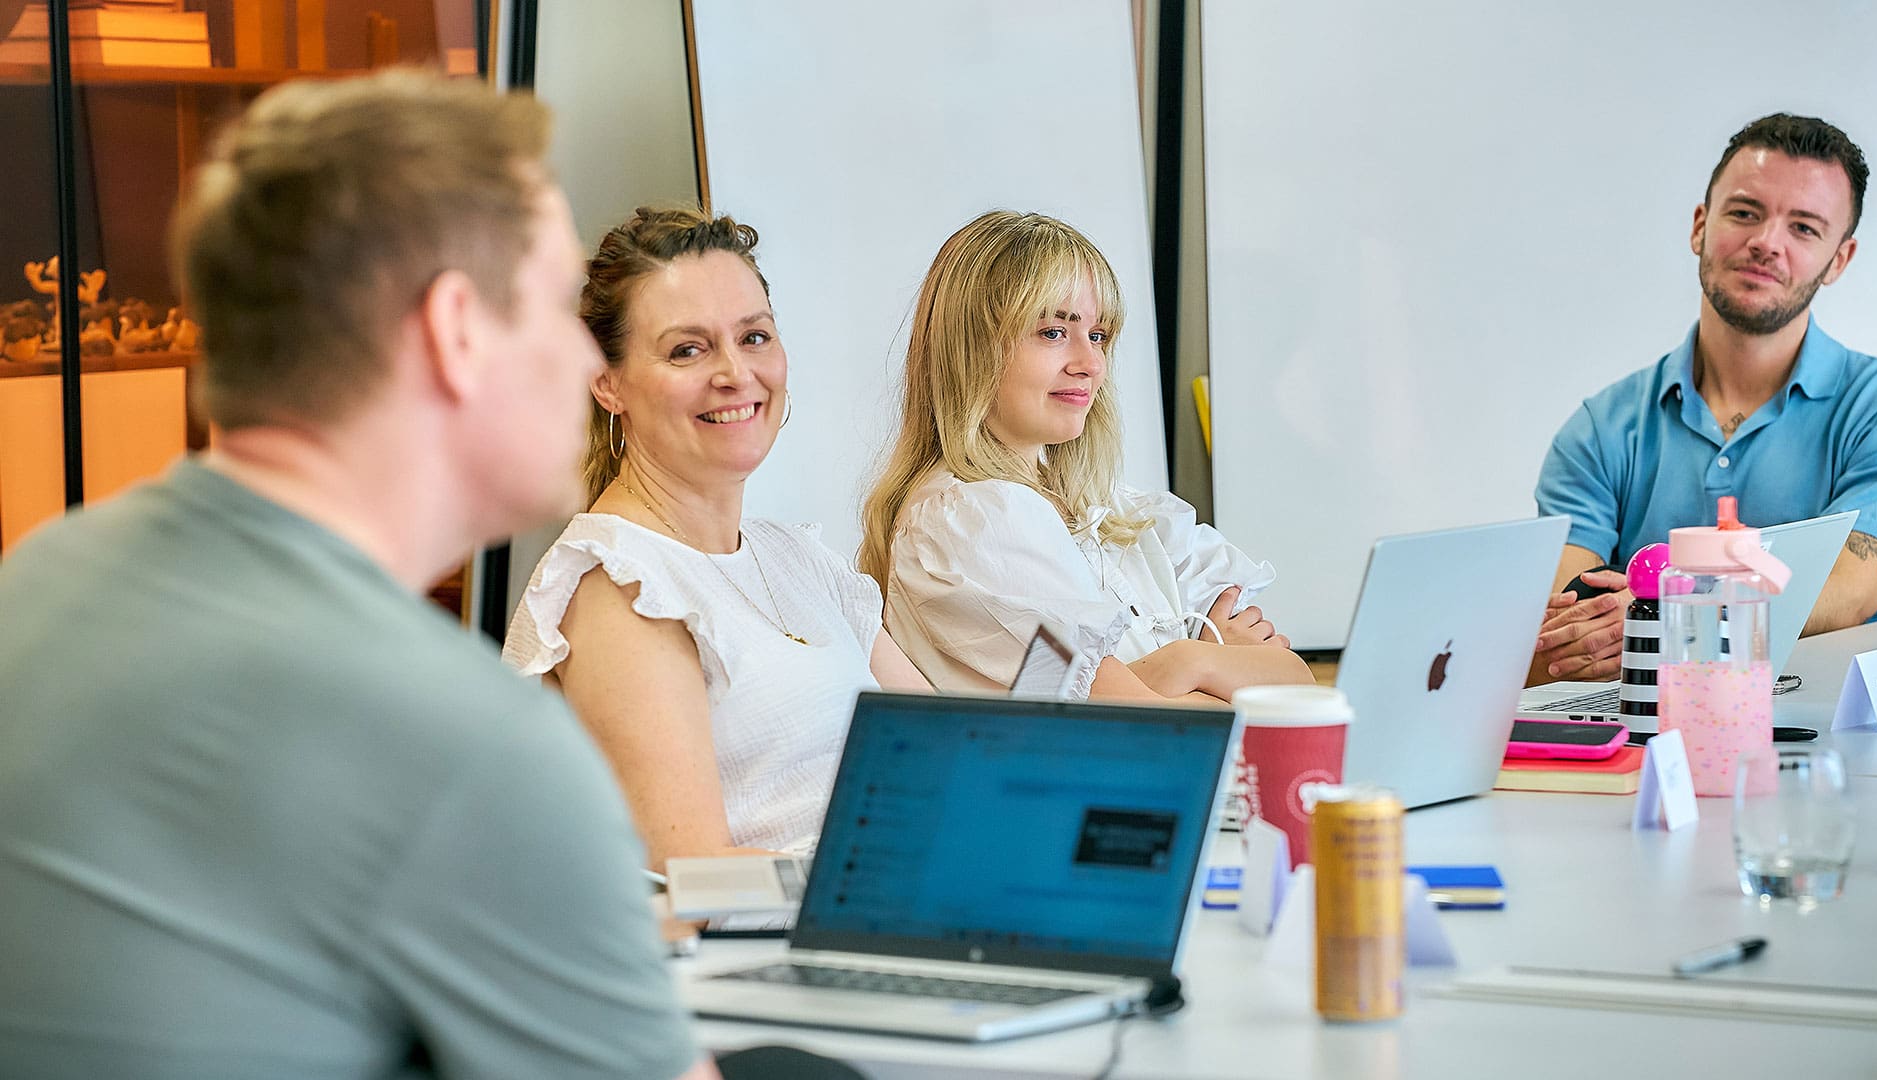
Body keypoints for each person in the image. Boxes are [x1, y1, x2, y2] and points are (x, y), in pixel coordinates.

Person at [0, 72, 716, 1079]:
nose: (580, 360)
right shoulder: (466, 738)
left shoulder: (40, 581)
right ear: (455, 330)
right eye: (558, 307)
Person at [504, 207, 931, 865]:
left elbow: (955, 748)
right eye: (688, 349)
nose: (736, 373)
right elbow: (693, 873)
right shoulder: (618, 583)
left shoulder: (797, 557)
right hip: (761, 950)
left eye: (754, 337)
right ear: (607, 383)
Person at [860, 210, 1313, 701]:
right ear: (972, 349)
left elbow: (1298, 684)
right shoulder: (971, 520)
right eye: (1054, 332)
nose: (1091, 364)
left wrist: (1190, 664)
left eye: (1098, 335)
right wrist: (1203, 659)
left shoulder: (1118, 514)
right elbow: (1146, 732)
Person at [1531, 113, 1877, 685]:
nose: (1766, 242)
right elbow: (1561, 627)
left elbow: (1849, 587)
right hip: (1647, 746)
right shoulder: (1601, 430)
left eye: (1805, 228)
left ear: (1838, 260)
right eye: (1744, 213)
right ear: (1699, 227)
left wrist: (1669, 620)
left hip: (1846, 747)